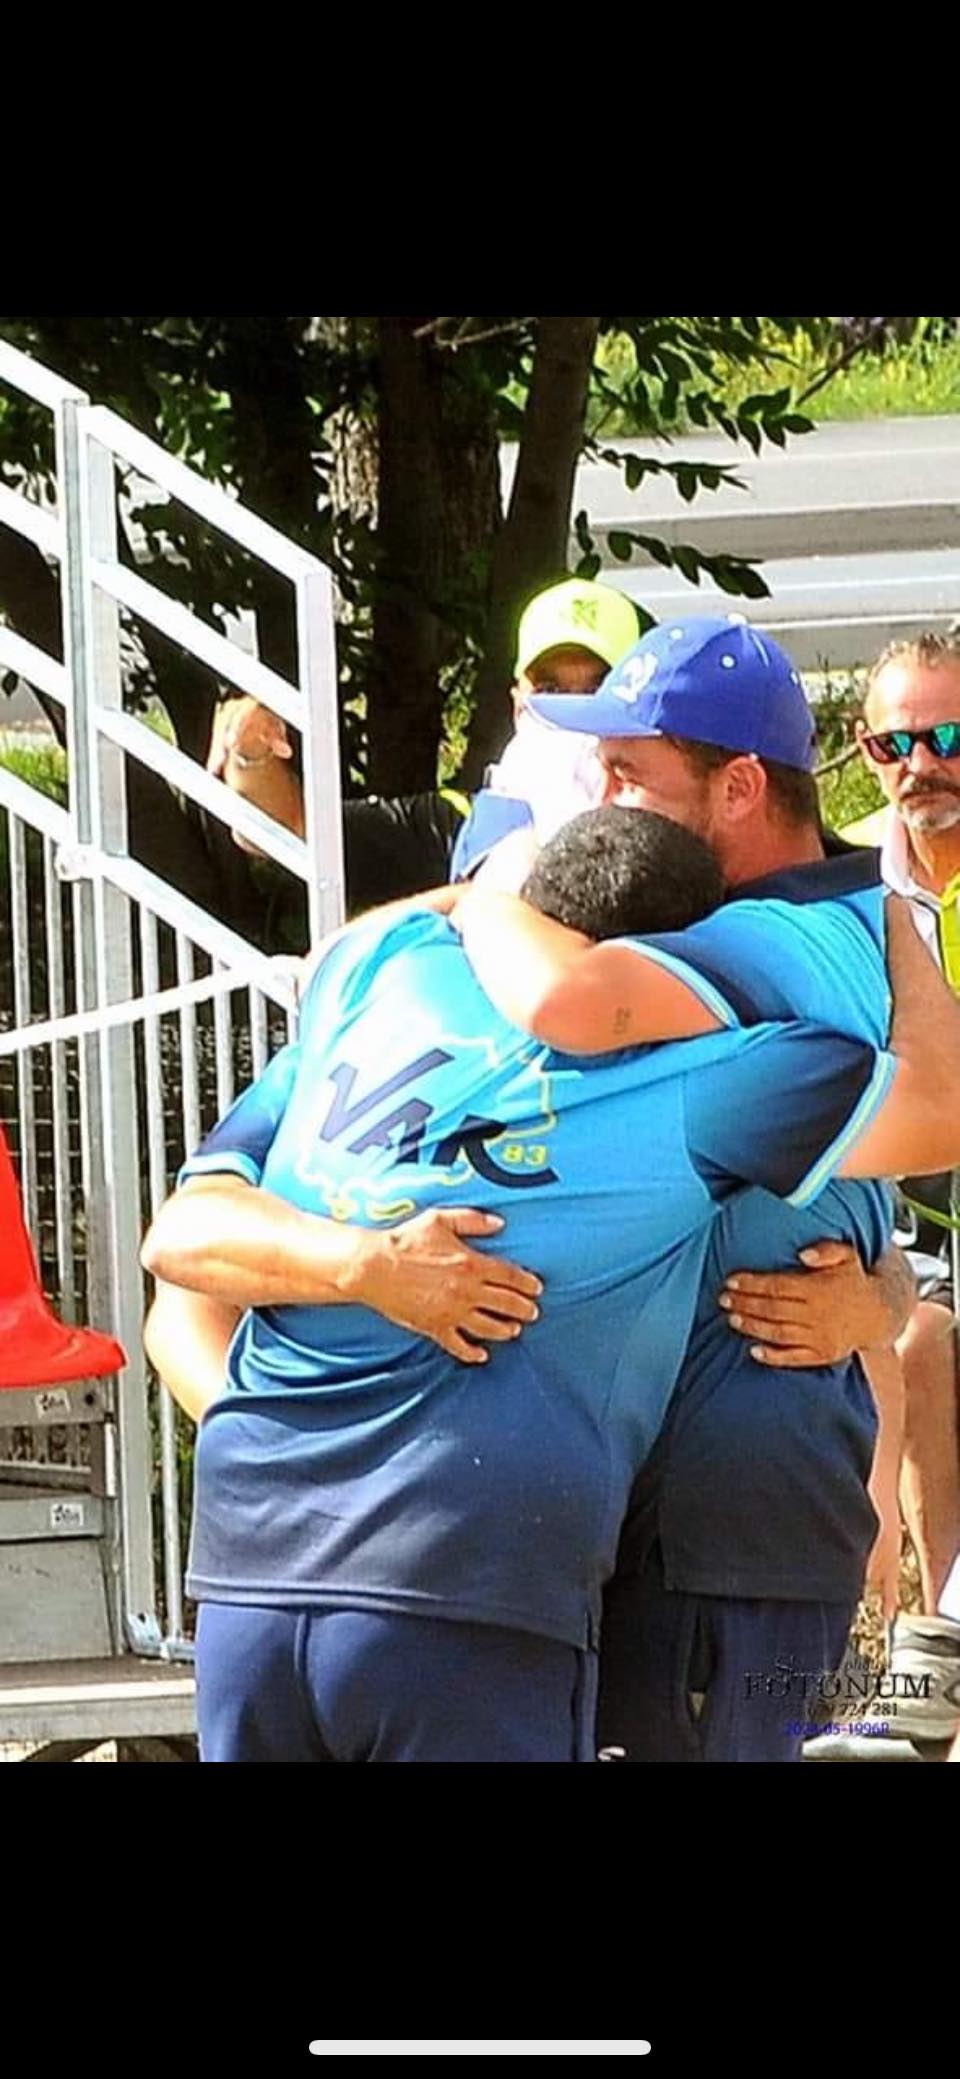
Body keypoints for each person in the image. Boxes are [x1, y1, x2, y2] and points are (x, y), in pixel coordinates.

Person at [140, 804, 947, 1764]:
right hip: (469, 1589)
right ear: (663, 962)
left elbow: (181, 1235)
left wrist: (360, 1269)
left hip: (254, 1581)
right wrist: (890, 911)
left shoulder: (382, 983)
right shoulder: (695, 1085)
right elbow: (938, 1109)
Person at [455, 616, 931, 1759]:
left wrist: (479, 888)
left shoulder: (780, 936)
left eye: (631, 772)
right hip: (701, 1523)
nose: (600, 797)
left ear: (739, 791)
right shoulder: (818, 918)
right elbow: (862, 1200)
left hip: (724, 1537)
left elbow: (562, 1002)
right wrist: (890, 1296)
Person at [851, 631, 960, 1742]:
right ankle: (924, 1652)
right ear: (863, 748)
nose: (922, 765)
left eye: (950, 736)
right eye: (898, 741)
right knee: (915, 1343)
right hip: (898, 1214)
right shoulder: (848, 896)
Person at [448, 577, 639, 885]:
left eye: (598, 688)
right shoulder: (499, 813)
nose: (572, 708)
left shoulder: (672, 809)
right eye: (549, 689)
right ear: (518, 706)